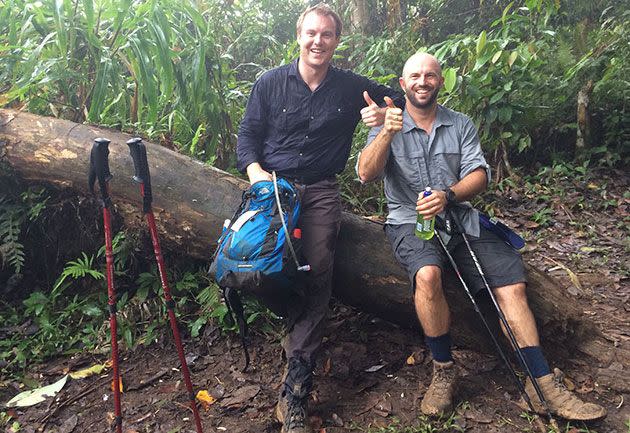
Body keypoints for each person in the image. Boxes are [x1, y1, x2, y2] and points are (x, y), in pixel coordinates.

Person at [356, 52, 606, 421]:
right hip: (410, 221)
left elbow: (480, 174)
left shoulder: (460, 124)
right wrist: (388, 132)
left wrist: (449, 196)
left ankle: (542, 384)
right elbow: (365, 173)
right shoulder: (387, 119)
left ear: (440, 81)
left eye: (430, 75)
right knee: (427, 275)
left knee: (512, 287)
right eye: (415, 76)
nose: (422, 81)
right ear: (403, 82)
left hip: (461, 217)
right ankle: (444, 370)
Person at [236, 3, 403, 432]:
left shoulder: (349, 87)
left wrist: (381, 115)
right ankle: (296, 320)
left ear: (336, 41)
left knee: (316, 274)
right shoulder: (270, 84)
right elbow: (247, 140)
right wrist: (260, 180)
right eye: (311, 33)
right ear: (298, 35)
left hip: (321, 192)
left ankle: (295, 389)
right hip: (272, 187)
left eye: (327, 35)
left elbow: (403, 98)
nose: (318, 41)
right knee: (250, 271)